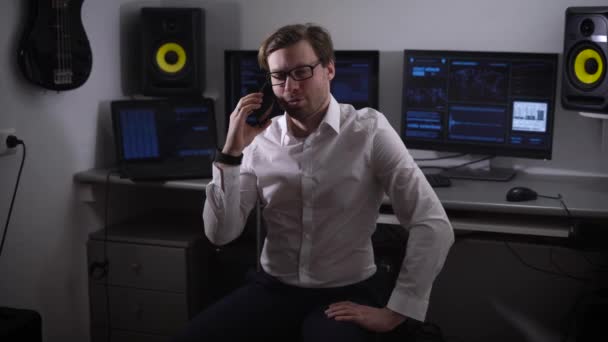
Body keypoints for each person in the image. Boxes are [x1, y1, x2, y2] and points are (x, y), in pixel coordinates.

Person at [174, 23, 454, 342]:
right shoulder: (259, 141)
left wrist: (397, 312)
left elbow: (432, 223)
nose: (290, 86)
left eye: (302, 71)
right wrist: (231, 153)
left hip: (345, 295)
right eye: (279, 76)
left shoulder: (369, 131)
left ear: (329, 69)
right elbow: (221, 234)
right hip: (273, 288)